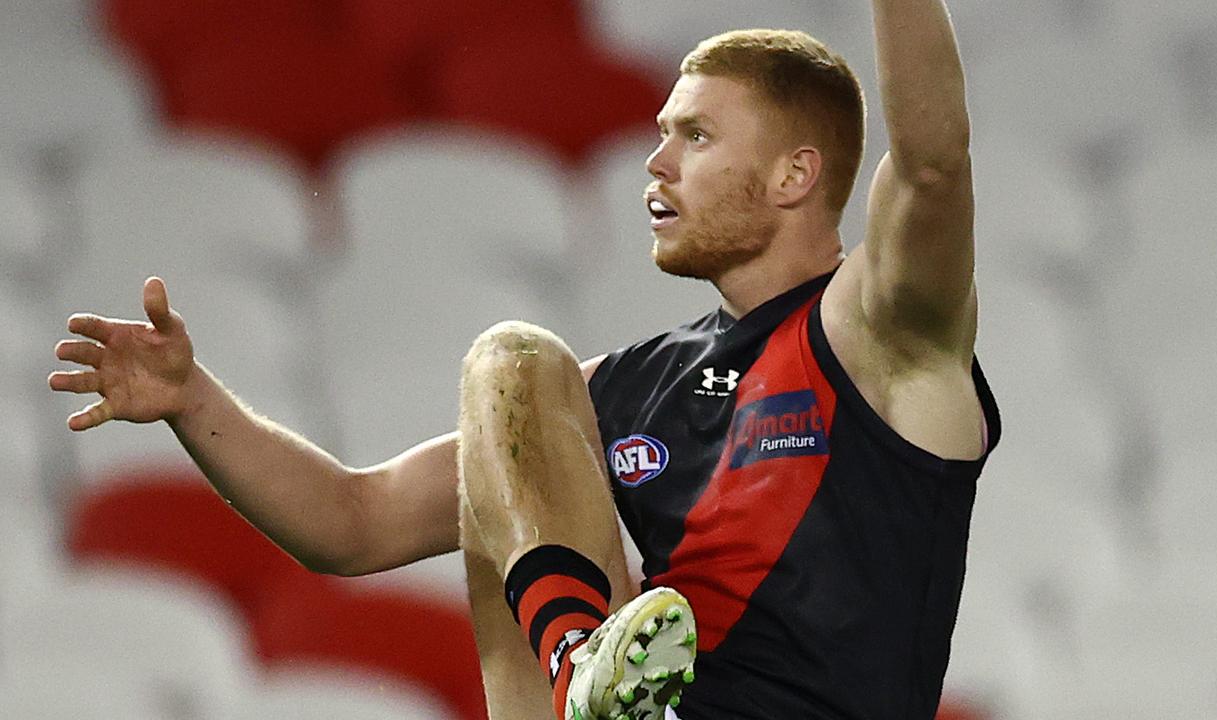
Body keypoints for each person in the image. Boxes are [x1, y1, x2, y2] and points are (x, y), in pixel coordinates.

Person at [49, 2, 1000, 718]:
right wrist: (188, 397)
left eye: (695, 136)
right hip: (616, 695)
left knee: (518, 361)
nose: (655, 162)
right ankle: (589, 670)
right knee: (515, 363)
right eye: (662, 131)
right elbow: (354, 521)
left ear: (797, 174)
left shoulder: (881, 339)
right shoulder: (626, 387)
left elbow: (929, 165)